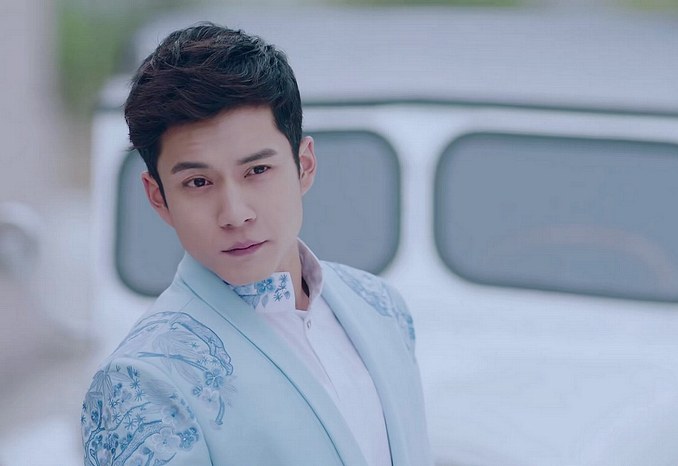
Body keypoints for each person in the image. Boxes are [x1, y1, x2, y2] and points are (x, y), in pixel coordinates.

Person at [80, 23, 432, 465]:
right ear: (158, 198)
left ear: (304, 165)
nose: (235, 213)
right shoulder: (141, 381)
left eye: (257, 171)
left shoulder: (381, 306)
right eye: (198, 182)